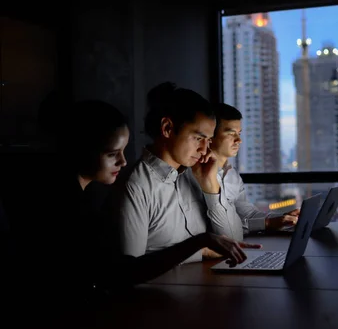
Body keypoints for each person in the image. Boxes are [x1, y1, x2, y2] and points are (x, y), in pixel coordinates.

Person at [20, 99, 257, 301]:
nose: (123, 162)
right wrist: (200, 246)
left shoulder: (191, 174)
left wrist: (211, 188)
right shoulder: (74, 203)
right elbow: (120, 273)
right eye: (113, 153)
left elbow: (231, 243)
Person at [107, 82, 260, 263]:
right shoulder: (136, 185)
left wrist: (211, 187)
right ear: (167, 128)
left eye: (209, 140)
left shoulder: (198, 174)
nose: (205, 149)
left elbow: (234, 241)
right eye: (198, 138)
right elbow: (129, 269)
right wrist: (200, 251)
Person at [208, 103, 299, 241]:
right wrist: (267, 223)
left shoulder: (231, 174)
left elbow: (248, 214)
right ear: (210, 136)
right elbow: (215, 229)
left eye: (239, 134)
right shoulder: (195, 176)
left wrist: (281, 218)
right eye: (231, 133)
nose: (239, 140)